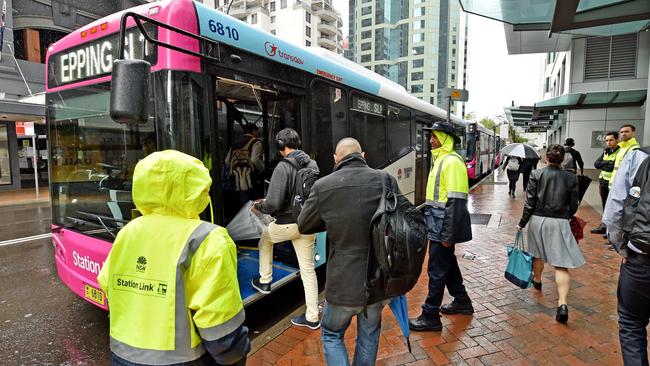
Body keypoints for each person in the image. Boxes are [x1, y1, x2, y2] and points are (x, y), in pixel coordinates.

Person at [97, 150, 250, 366]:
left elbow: (107, 283)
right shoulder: (208, 238)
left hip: (122, 356)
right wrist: (235, 357)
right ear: (195, 190)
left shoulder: (128, 232)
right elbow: (220, 327)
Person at [297, 137, 396, 366]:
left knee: (332, 334)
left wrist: (330, 220)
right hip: (378, 280)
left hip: (343, 283)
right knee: (369, 337)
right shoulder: (385, 179)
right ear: (363, 156)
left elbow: (304, 225)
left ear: (335, 158)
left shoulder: (323, 186)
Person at [251, 128, 320, 329]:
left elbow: (272, 204)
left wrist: (258, 207)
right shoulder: (311, 163)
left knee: (265, 238)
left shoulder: (282, 167)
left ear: (281, 146)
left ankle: (265, 280)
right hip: (308, 223)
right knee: (308, 270)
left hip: (287, 224)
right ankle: (313, 316)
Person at [409, 121, 473, 332]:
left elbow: (456, 202)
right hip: (437, 223)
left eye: (434, 136)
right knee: (447, 264)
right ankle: (462, 301)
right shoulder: (442, 160)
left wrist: (447, 234)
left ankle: (430, 315)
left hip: (442, 226)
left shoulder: (451, 162)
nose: (430, 140)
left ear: (444, 138)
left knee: (436, 269)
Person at [517, 144, 584, 324]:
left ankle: (537, 280)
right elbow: (574, 204)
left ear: (546, 158)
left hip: (538, 220)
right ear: (563, 159)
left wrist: (522, 222)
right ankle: (562, 304)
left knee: (537, 254)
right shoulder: (571, 178)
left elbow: (529, 202)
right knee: (561, 264)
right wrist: (566, 217)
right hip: (560, 221)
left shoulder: (536, 174)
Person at [602, 146, 650, 366]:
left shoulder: (639, 156)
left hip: (642, 258)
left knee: (632, 324)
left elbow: (614, 211)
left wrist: (622, 247)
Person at [225, 124, 264, 204]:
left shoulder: (235, 144)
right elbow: (254, 160)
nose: (257, 134)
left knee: (244, 203)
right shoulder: (255, 142)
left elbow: (227, 161)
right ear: (253, 131)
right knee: (255, 204)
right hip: (252, 179)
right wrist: (262, 168)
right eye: (257, 131)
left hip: (238, 180)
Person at [591, 131, 620, 234]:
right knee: (604, 204)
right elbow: (596, 164)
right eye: (607, 140)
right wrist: (608, 162)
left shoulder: (620, 152)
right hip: (603, 181)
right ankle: (604, 226)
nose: (608, 142)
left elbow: (612, 167)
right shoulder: (606, 151)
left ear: (617, 140)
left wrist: (604, 164)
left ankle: (610, 229)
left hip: (613, 183)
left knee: (611, 206)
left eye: (611, 140)